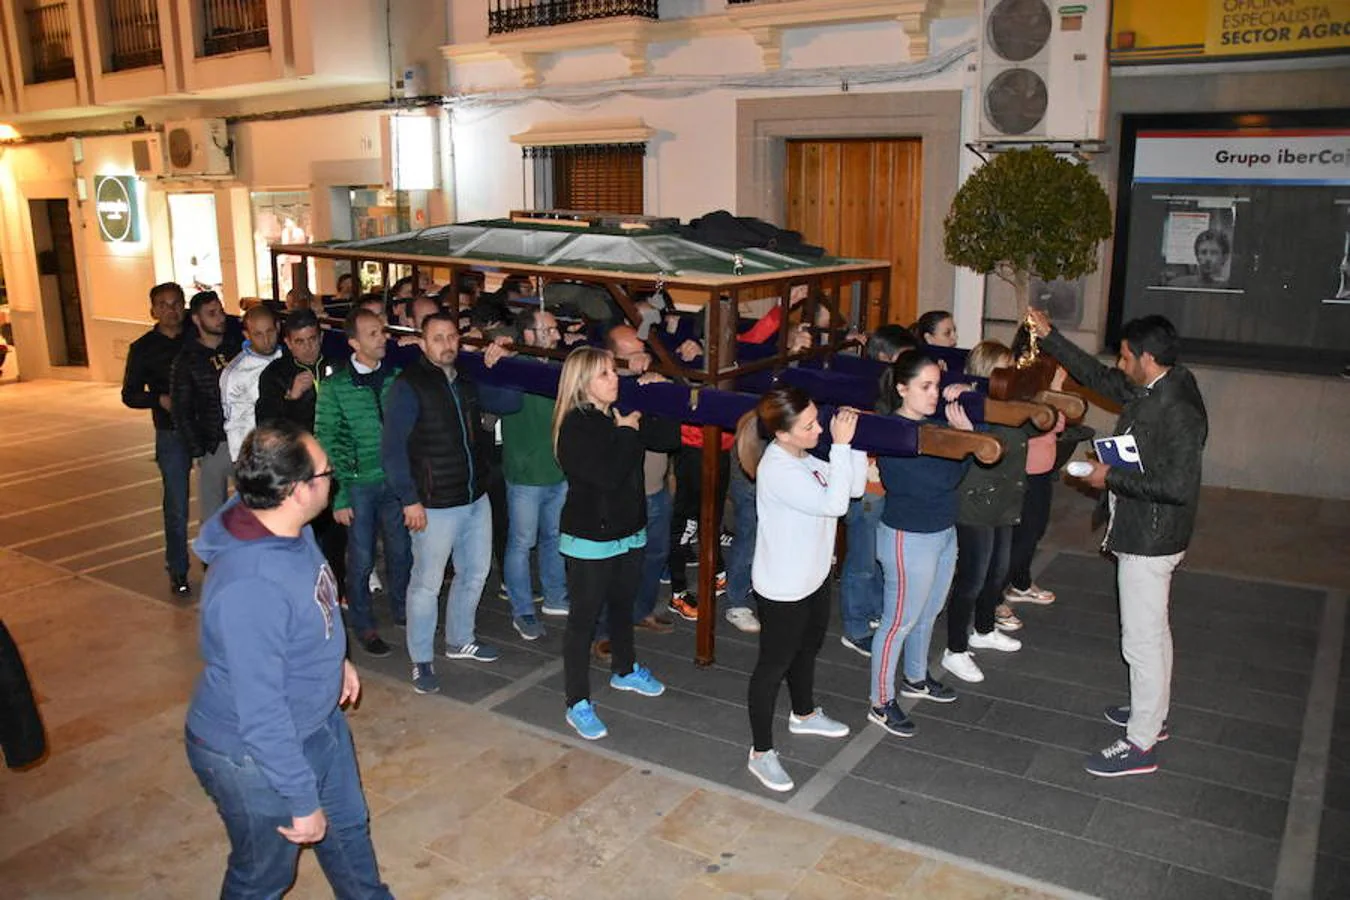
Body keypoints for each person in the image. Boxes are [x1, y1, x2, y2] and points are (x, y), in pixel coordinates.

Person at [185, 422, 392, 899]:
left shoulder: (280, 522)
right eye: (326, 472)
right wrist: (300, 799)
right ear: (298, 491)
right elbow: (260, 713)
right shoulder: (250, 585)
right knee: (263, 876)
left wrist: (333, 659)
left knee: (348, 833)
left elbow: (311, 603)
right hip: (251, 755)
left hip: (318, 723)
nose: (332, 479)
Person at [1028, 309, 1208, 777]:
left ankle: (1141, 743)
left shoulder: (1179, 410)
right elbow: (1099, 379)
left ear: (1147, 358)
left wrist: (1112, 477)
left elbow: (1178, 486)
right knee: (1154, 631)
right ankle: (1154, 713)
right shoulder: (1161, 383)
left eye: (1127, 357)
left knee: (1141, 641)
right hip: (1144, 529)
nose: (1121, 365)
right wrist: (1051, 338)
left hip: (1151, 537)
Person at [741, 388, 864, 792]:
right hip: (783, 587)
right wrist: (843, 448)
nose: (819, 429)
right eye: (808, 425)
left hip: (813, 578)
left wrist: (859, 444)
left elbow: (853, 489)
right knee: (772, 667)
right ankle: (760, 753)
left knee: (807, 649)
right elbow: (835, 506)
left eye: (817, 419)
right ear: (782, 433)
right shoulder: (778, 469)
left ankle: (805, 713)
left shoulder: (806, 458)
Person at [383, 313, 510, 693]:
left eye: (452, 336)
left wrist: (497, 362)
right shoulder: (409, 385)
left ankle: (459, 639)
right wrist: (410, 499)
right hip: (433, 503)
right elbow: (391, 450)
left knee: (475, 572)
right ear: (423, 343)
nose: (446, 344)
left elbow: (508, 403)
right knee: (426, 583)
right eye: (437, 338)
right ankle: (421, 660)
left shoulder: (467, 382)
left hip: (473, 496)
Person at [553, 346, 668, 740]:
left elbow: (669, 438)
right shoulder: (575, 425)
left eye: (613, 371)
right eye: (604, 374)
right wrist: (626, 432)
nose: (614, 379)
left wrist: (657, 392)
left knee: (623, 608)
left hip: (628, 530)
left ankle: (625, 668)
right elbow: (608, 476)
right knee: (582, 623)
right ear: (584, 384)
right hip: (590, 537)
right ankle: (576, 702)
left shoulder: (618, 414)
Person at [869, 350, 975, 739]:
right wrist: (964, 441)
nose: (935, 394)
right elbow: (937, 480)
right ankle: (880, 701)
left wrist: (963, 442)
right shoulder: (891, 432)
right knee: (898, 621)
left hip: (943, 530)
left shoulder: (933, 426)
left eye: (937, 385)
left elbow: (960, 471)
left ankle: (915, 677)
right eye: (925, 386)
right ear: (902, 389)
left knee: (928, 613)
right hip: (908, 537)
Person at [315, 307, 411, 660]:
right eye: (373, 334)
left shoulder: (396, 377)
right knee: (361, 558)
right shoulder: (335, 387)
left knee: (401, 551)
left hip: (395, 481)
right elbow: (326, 439)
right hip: (357, 484)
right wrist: (338, 496)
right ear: (354, 342)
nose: (382, 338)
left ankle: (403, 610)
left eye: (382, 332)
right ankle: (363, 623)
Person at [940, 342, 1028, 685]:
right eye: (1004, 370)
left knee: (997, 571)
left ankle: (984, 629)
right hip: (976, 501)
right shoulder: (966, 401)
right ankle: (956, 649)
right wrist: (968, 425)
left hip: (1004, 500)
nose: (1011, 377)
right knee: (972, 577)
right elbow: (967, 446)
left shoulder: (1011, 402)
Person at [838, 324, 918, 656]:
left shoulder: (891, 387)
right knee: (861, 561)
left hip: (884, 488)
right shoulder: (867, 389)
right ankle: (855, 626)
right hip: (867, 488)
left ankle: (873, 613)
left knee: (878, 558)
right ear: (883, 358)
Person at [257, 308, 344, 603]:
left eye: (313, 339)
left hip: (333, 463)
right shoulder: (275, 375)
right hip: (298, 468)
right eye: (300, 341)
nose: (308, 347)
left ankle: (336, 590)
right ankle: (302, 592)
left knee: (334, 533)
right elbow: (268, 424)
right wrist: (292, 398)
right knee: (303, 534)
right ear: (288, 343)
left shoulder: (336, 365)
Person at [495, 308, 571, 638]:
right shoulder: (513, 368)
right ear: (529, 335)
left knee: (554, 538)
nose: (557, 335)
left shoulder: (558, 367)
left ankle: (555, 596)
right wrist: (501, 352)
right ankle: (522, 610)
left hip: (557, 470)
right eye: (550, 330)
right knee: (522, 542)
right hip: (525, 473)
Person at [121, 282, 191, 595]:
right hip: (171, 431)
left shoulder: (198, 335)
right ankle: (178, 568)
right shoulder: (143, 348)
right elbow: (129, 394)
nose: (171, 310)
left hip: (210, 429)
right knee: (176, 504)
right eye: (163, 305)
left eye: (176, 303)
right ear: (153, 311)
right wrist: (157, 399)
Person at [172, 290, 242, 528]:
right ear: (196, 320)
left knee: (256, 506)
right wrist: (197, 449)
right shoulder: (187, 360)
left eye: (220, 311)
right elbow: (181, 409)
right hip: (213, 443)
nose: (220, 318)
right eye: (212, 314)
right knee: (212, 515)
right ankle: (212, 563)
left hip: (242, 439)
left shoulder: (237, 349)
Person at [220, 305, 282, 461]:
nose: (266, 340)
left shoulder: (290, 357)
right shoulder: (234, 373)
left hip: (290, 451)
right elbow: (233, 424)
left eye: (270, 332)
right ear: (246, 335)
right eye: (258, 335)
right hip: (257, 456)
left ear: (278, 327)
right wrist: (240, 461)